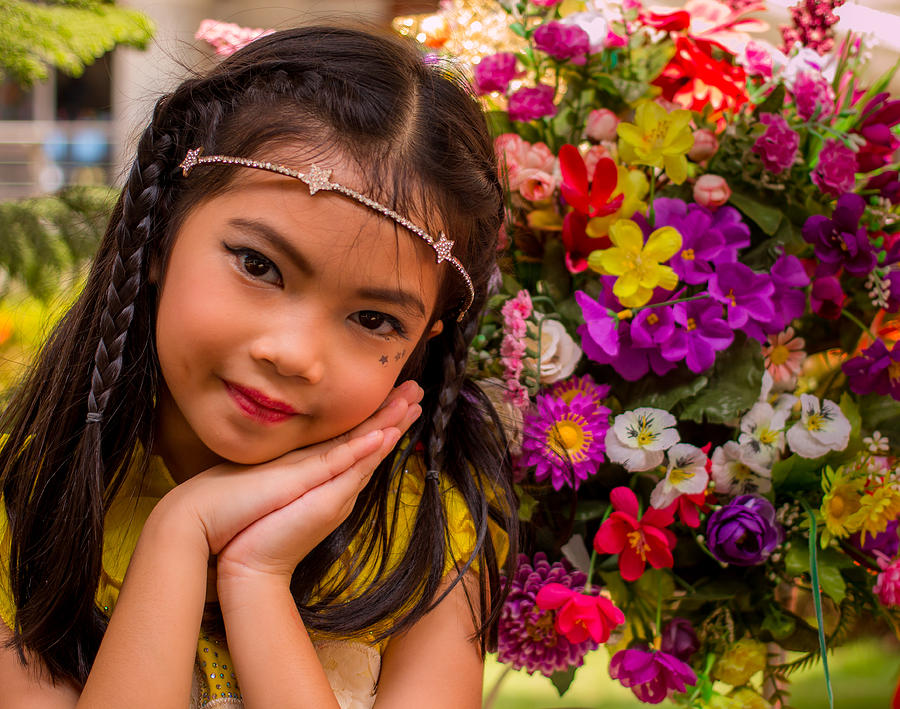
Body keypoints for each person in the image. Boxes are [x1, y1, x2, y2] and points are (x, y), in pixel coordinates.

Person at [0, 25, 517, 708]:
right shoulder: (24, 507)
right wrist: (180, 536)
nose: (293, 353)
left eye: (373, 320)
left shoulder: (430, 542)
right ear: (160, 232)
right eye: (258, 265)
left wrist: (255, 575)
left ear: (426, 337)